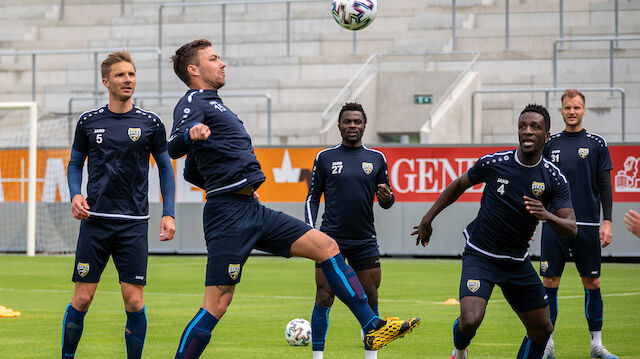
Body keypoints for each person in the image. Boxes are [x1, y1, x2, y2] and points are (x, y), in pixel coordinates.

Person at [167, 39, 420, 359]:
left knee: (327, 247)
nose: (222, 63)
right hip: (228, 215)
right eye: (214, 58)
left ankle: (372, 325)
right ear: (194, 69)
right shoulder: (193, 101)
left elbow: (193, 172)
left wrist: (232, 183)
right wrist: (192, 138)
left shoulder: (216, 105)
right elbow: (173, 146)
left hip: (251, 208)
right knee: (217, 303)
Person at [413, 104, 577, 359]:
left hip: (516, 261)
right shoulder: (495, 162)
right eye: (523, 126)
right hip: (481, 255)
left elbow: (571, 229)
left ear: (546, 135)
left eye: (535, 127)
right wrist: (428, 218)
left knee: (542, 329)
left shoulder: (553, 178)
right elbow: (459, 184)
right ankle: (459, 351)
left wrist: (546, 215)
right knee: (470, 319)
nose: (528, 131)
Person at [61, 51, 176, 359]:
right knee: (82, 299)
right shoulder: (89, 121)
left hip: (133, 224)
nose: (128, 80)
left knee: (134, 302)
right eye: (121, 75)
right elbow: (74, 163)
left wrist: (168, 213)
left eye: (131, 74)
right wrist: (75, 193)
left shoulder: (150, 123)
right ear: (106, 81)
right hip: (95, 221)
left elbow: (165, 167)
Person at [305, 102, 394, 359]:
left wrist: (387, 197)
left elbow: (388, 201)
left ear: (364, 125)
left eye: (357, 121)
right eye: (347, 121)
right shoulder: (325, 158)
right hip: (329, 240)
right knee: (324, 296)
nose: (352, 126)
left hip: (364, 240)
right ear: (339, 125)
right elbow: (312, 197)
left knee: (371, 295)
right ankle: (318, 356)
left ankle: (371, 356)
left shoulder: (377, 159)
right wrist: (312, 232)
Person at [540, 89, 618, 359]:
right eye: (567, 107)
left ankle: (596, 345)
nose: (572, 111)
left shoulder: (597, 143)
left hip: (586, 225)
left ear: (584, 110)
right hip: (554, 224)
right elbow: (537, 185)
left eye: (576, 107)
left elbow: (605, 186)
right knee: (549, 281)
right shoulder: (549, 143)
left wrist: (606, 221)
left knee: (592, 283)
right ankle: (547, 345)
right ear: (561, 111)